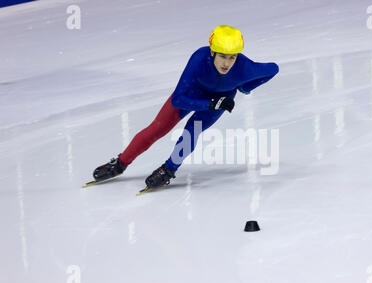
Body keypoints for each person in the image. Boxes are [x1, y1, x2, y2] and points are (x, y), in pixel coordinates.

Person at [92, 25, 279, 190]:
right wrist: (211, 103)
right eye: (222, 56)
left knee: (191, 132)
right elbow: (178, 100)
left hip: (221, 99)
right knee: (157, 128)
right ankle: (121, 162)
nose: (227, 63)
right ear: (212, 52)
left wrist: (246, 87)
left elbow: (273, 69)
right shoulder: (199, 59)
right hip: (193, 94)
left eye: (232, 58)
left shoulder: (245, 67)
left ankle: (169, 169)